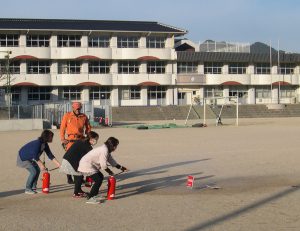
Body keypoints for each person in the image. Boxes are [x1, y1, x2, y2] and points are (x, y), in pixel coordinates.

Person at [78, 137, 128, 204]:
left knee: (100, 177)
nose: (116, 148)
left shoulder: (106, 149)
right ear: (112, 145)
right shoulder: (104, 150)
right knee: (98, 180)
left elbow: (111, 161)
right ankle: (90, 198)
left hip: (89, 165)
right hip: (86, 165)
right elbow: (103, 165)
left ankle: (94, 195)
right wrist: (110, 172)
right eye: (115, 146)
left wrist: (122, 168)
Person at [17, 130, 61, 194]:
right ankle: (28, 189)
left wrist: (59, 165)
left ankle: (34, 188)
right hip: (23, 158)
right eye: (51, 137)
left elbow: (50, 155)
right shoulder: (37, 143)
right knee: (34, 171)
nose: (52, 138)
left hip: (31, 158)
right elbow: (34, 155)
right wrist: (41, 165)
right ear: (47, 137)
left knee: (37, 170)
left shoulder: (45, 144)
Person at [60, 131, 99, 198]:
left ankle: (79, 190)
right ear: (91, 139)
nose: (96, 141)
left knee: (78, 176)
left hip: (69, 160)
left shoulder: (82, 141)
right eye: (95, 139)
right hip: (70, 161)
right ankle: (76, 193)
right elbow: (92, 157)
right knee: (79, 176)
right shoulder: (87, 145)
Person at [60, 101, 91, 184]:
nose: (78, 110)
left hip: (81, 139)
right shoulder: (67, 115)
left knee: (81, 159)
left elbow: (88, 127)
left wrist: (88, 137)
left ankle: (79, 178)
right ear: (73, 108)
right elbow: (62, 128)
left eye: (79, 108)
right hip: (71, 139)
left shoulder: (84, 116)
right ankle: (69, 178)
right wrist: (62, 139)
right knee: (69, 159)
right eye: (76, 108)